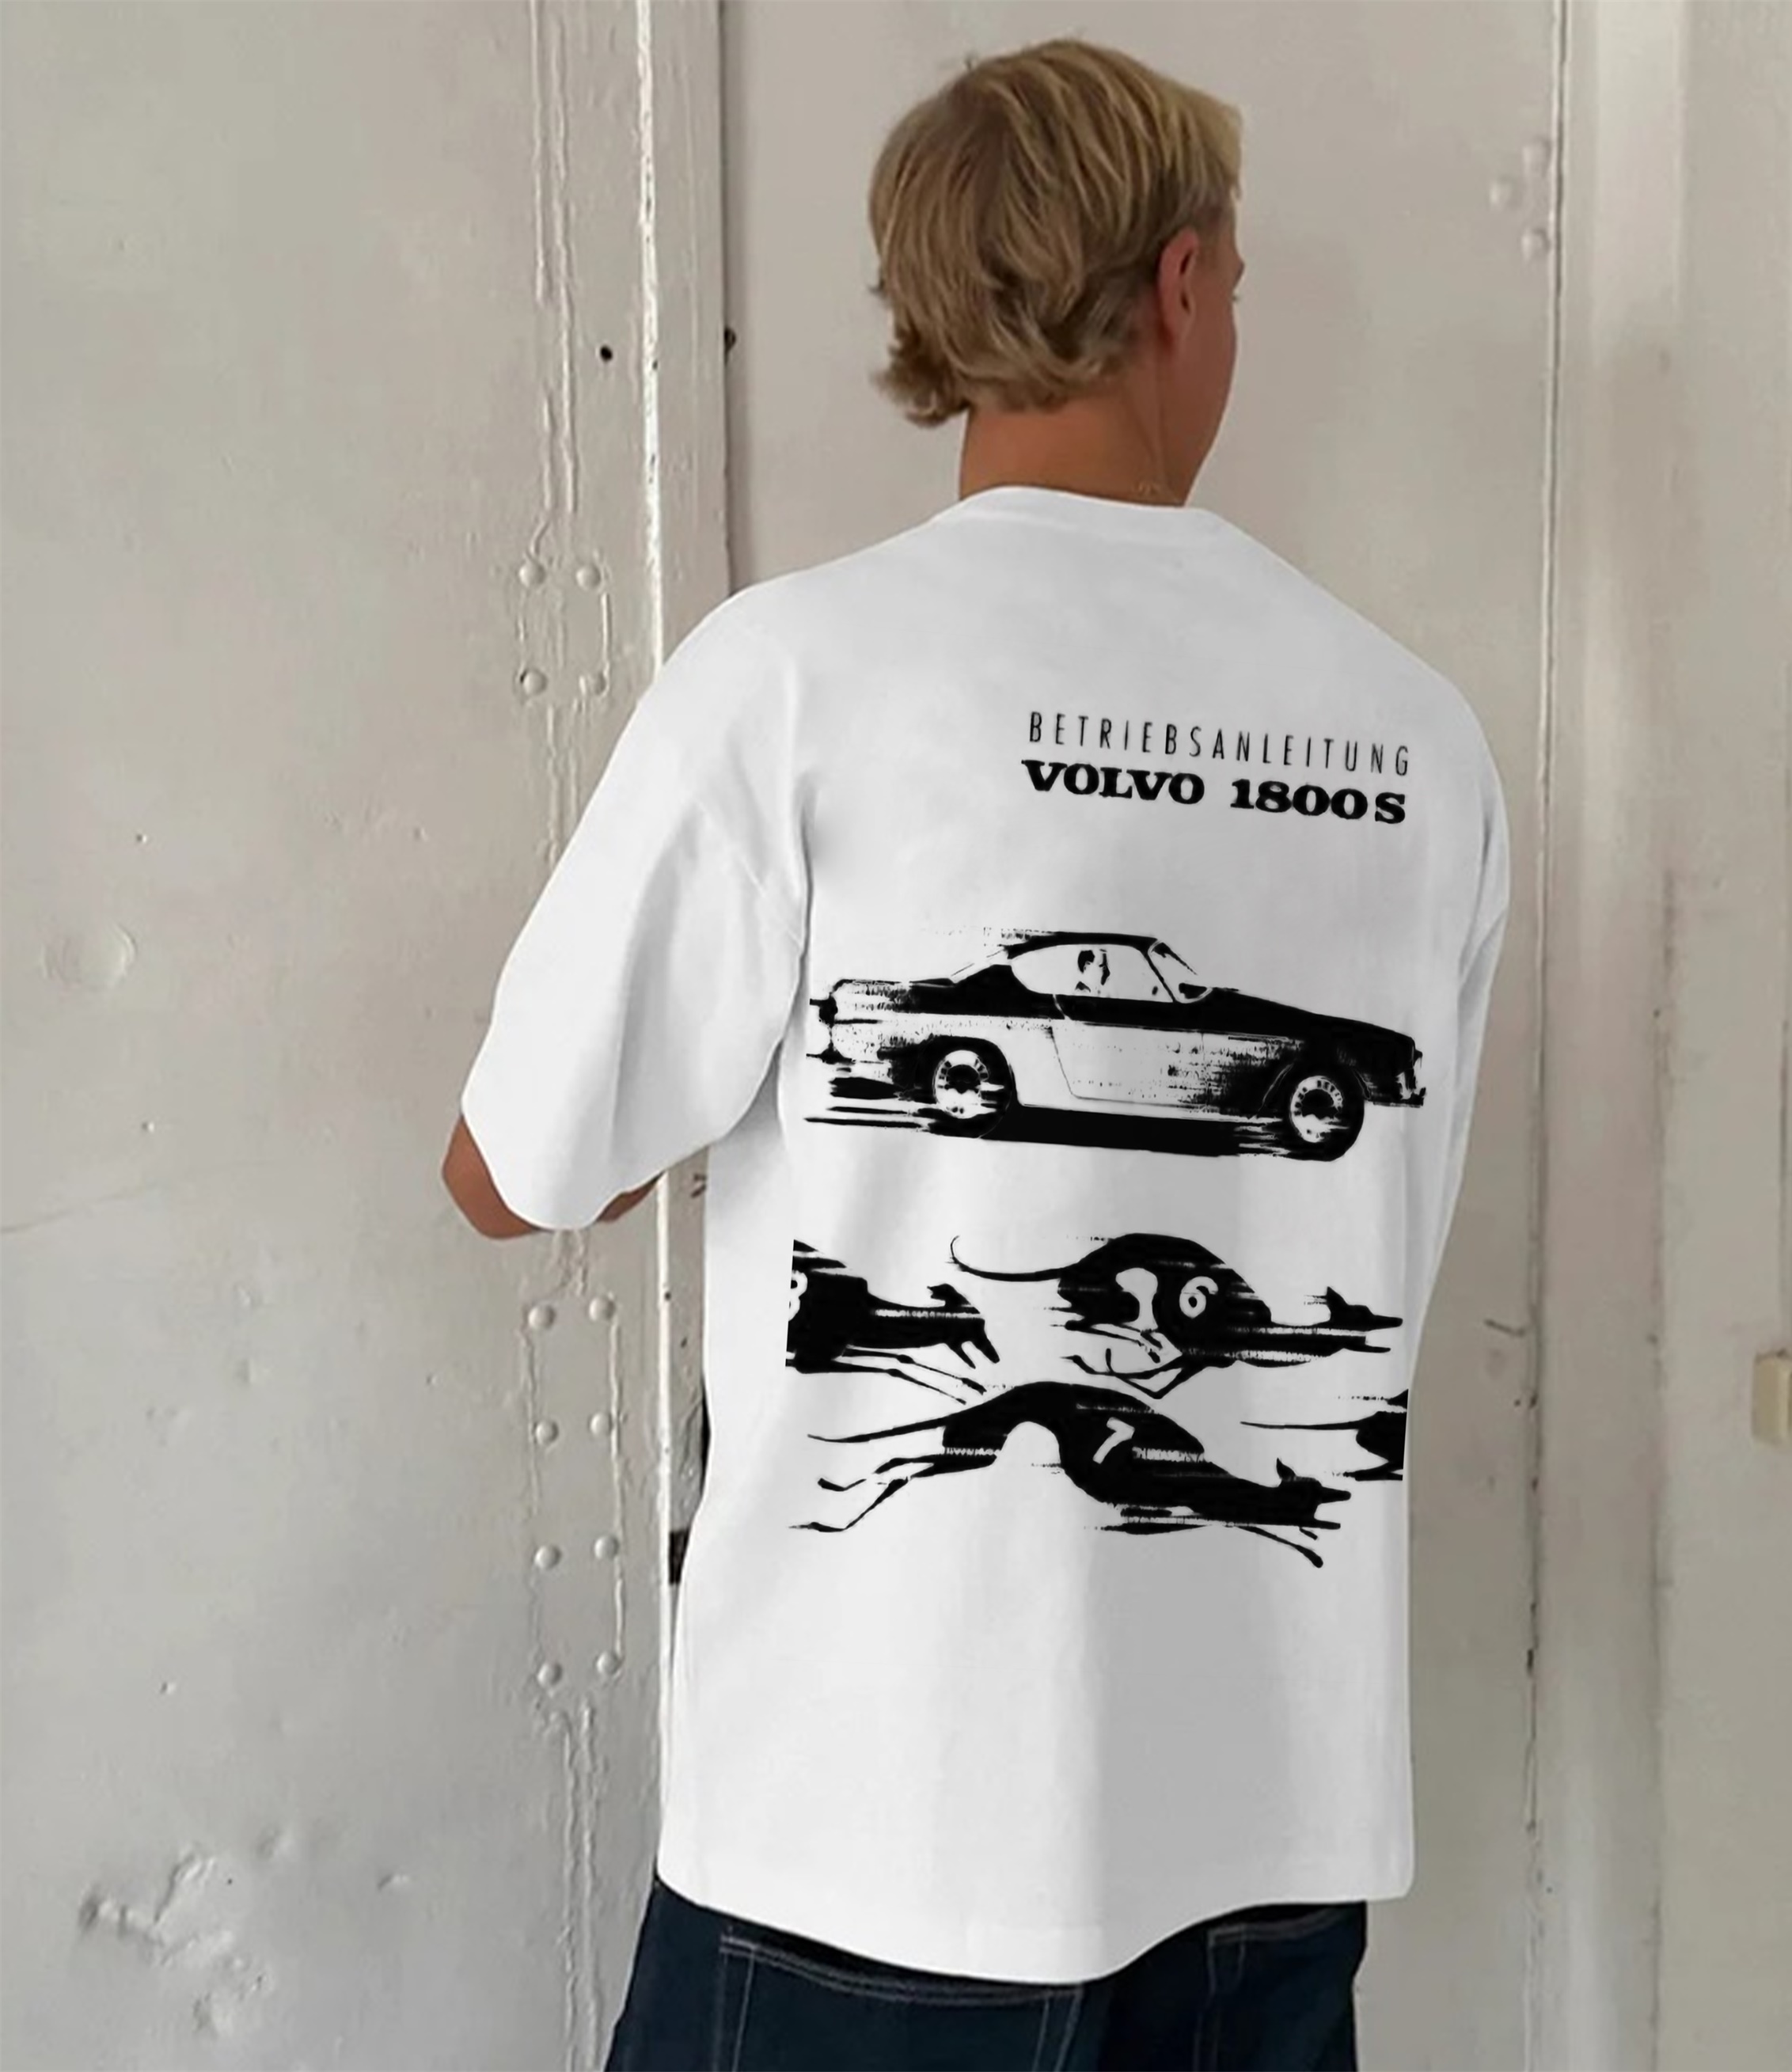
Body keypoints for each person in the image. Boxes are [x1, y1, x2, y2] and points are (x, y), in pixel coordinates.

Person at [444, 36, 1509, 2072]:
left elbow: (514, 1170)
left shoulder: (794, 676)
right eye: (1234, 282)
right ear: (1179, 283)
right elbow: (1386, 1235)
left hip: (868, 1828)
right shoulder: (1416, 736)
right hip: (1267, 1831)